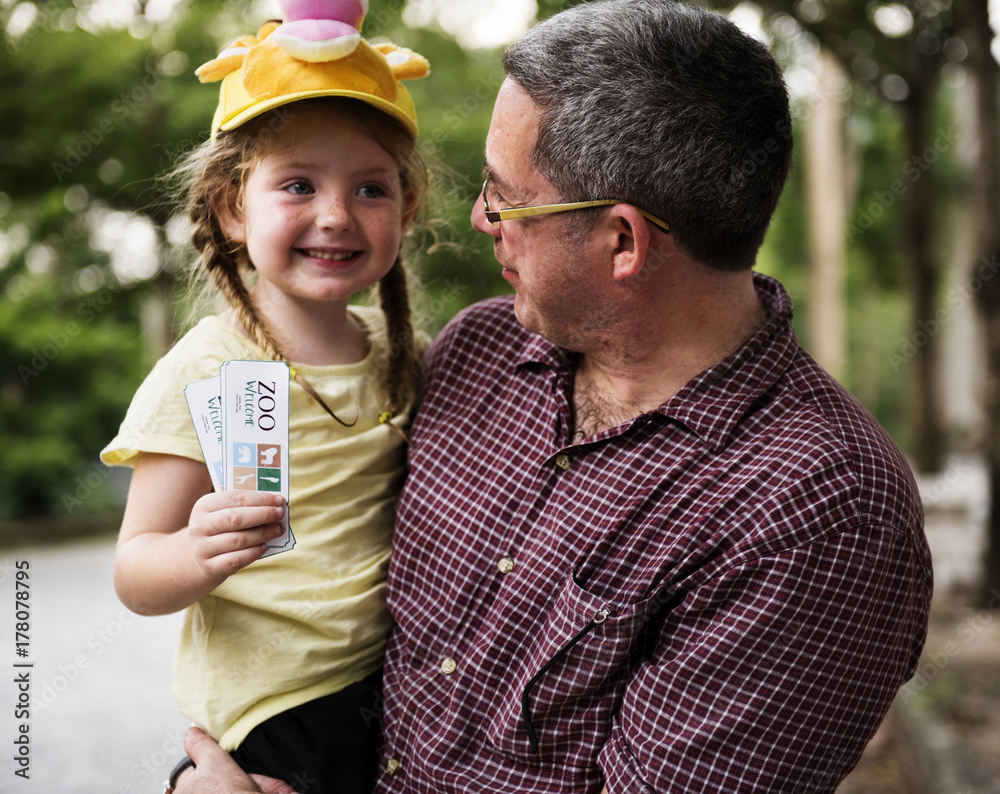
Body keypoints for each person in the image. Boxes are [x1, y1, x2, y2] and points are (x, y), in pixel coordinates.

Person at [173, 1, 933, 792]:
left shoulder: (817, 513)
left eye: (506, 199)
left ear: (623, 241)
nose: (477, 219)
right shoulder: (478, 352)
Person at [101, 3, 431, 792]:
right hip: (275, 715)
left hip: (397, 687)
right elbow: (134, 569)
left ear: (407, 210)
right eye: (297, 184)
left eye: (371, 189)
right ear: (230, 208)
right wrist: (193, 553)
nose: (335, 215)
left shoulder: (406, 357)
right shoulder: (208, 366)